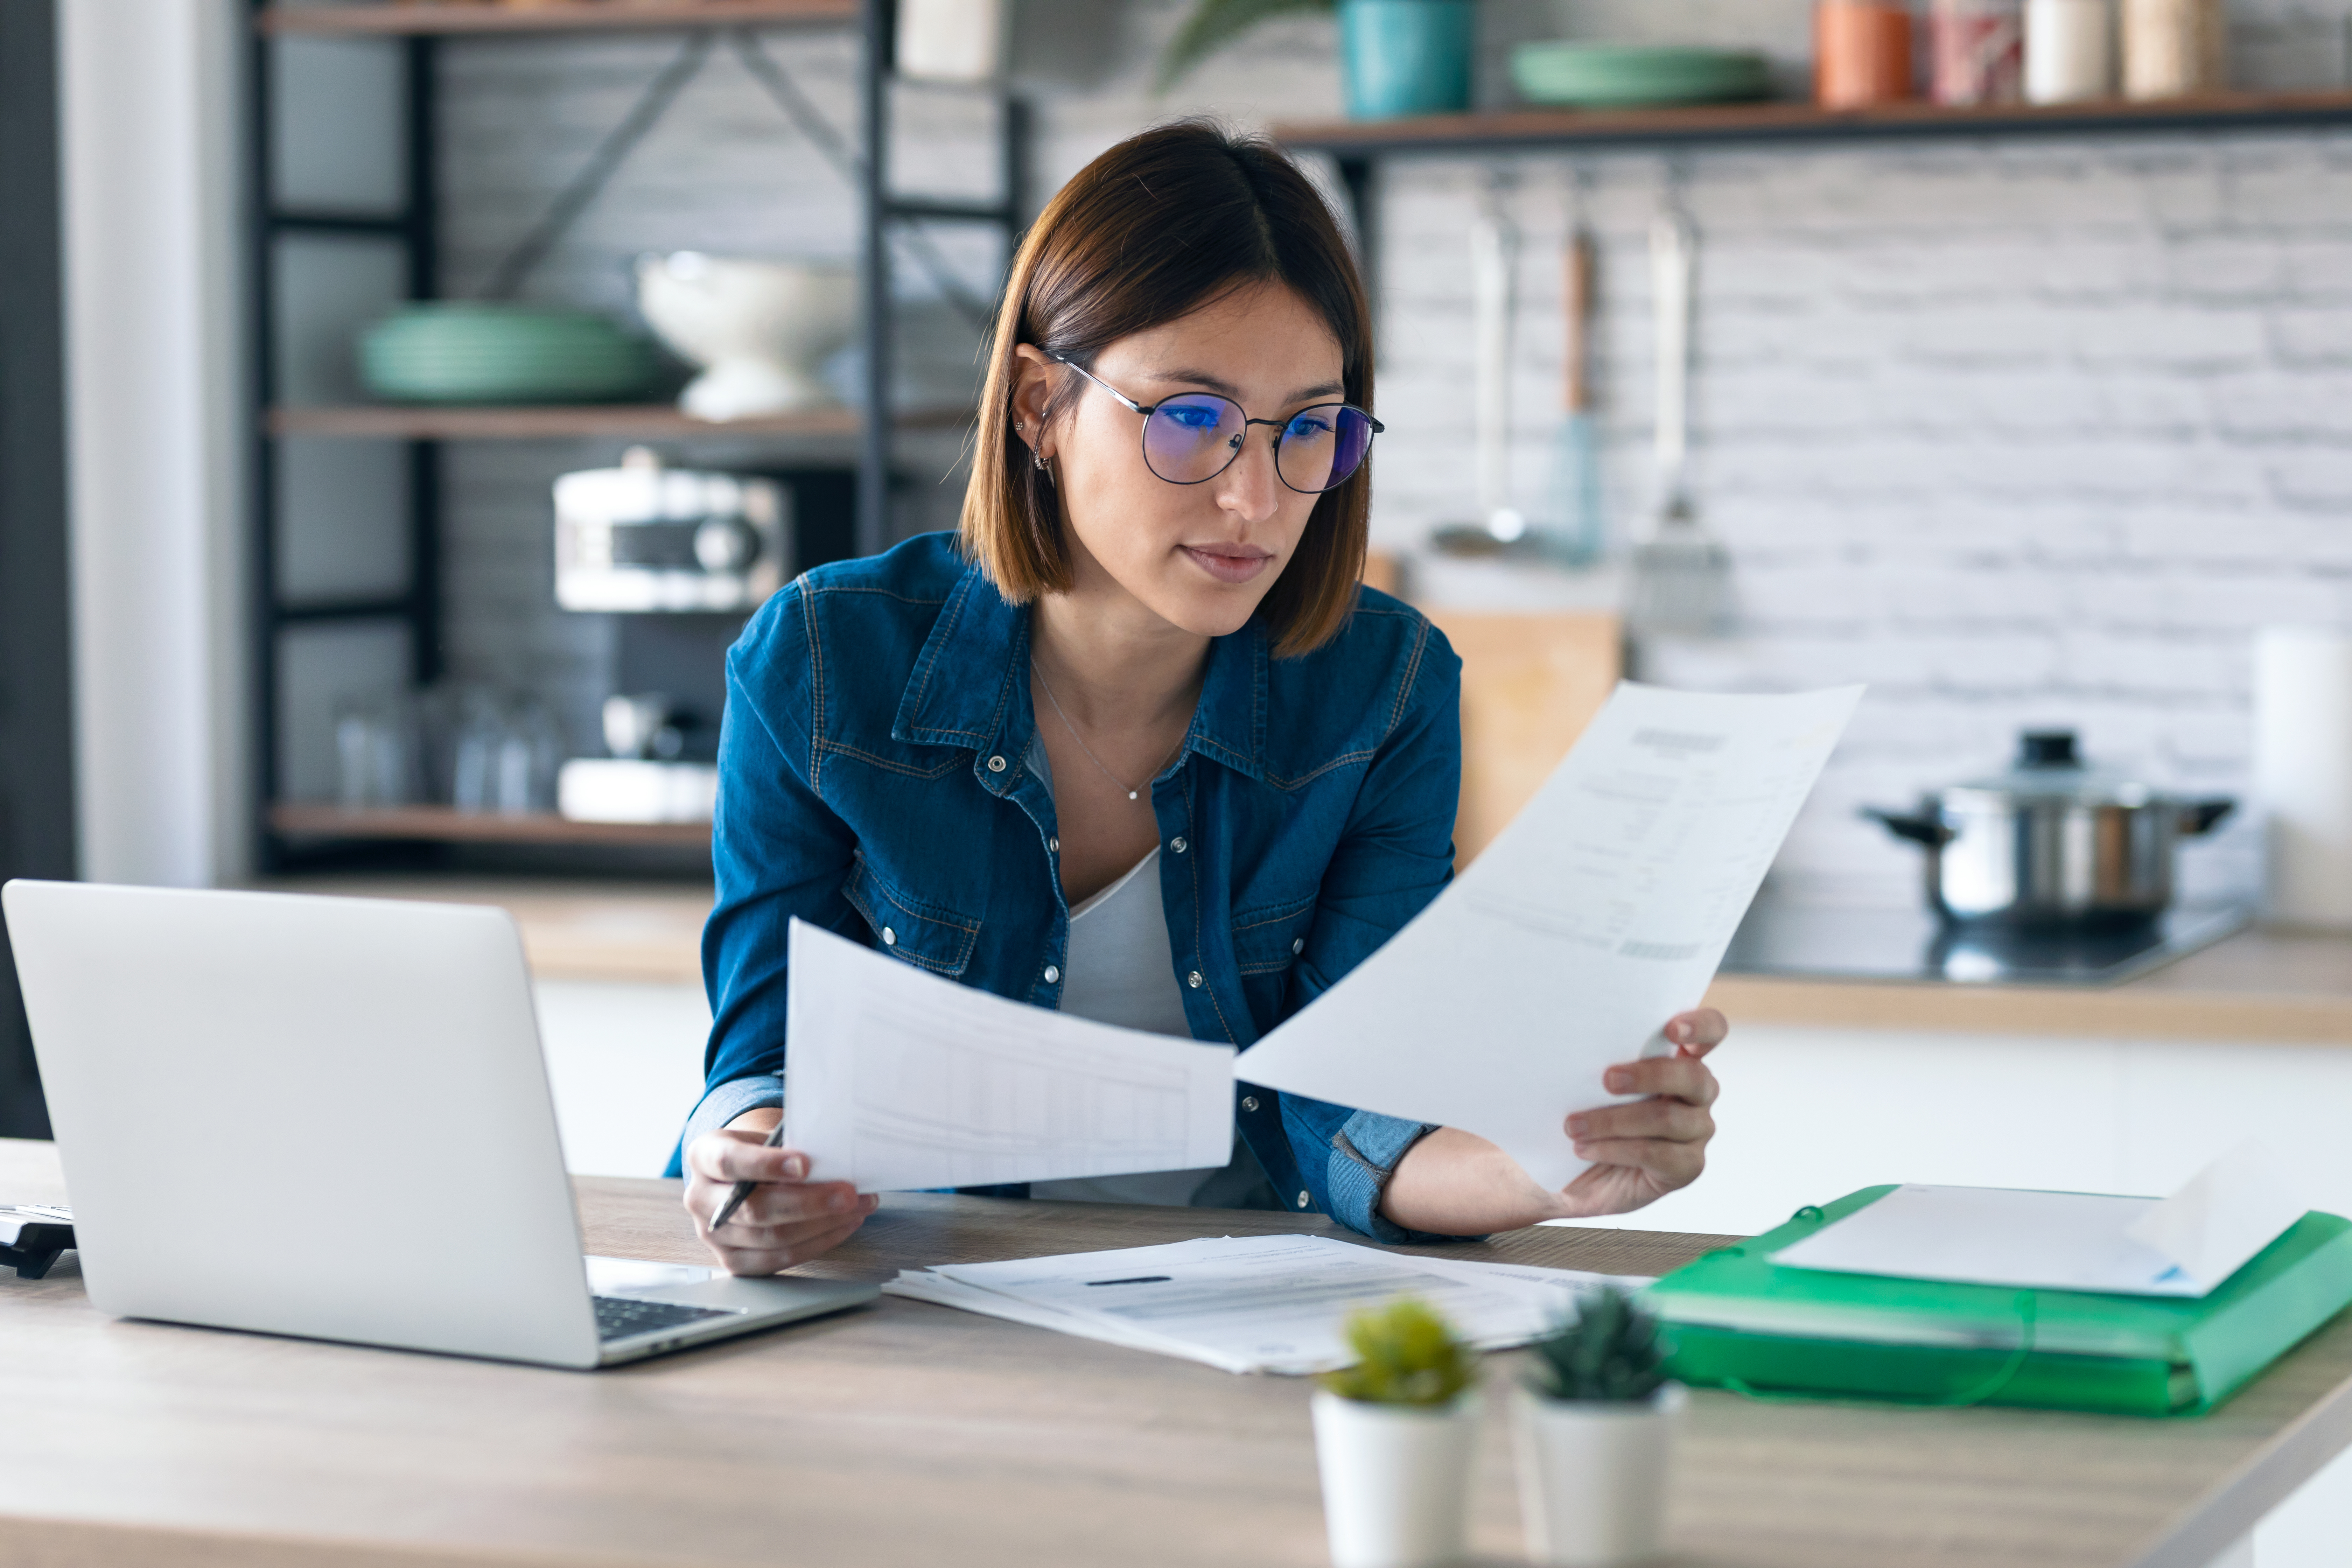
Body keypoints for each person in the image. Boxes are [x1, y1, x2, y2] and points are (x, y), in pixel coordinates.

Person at [674, 121, 1726, 1275]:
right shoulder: (826, 661)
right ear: (1038, 405)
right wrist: (755, 1170)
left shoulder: (1386, 688)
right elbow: (761, 1063)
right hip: (919, 1292)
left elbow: (1356, 1113)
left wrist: (1549, 1166)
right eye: (1190, 419)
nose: (1256, 500)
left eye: (1310, 431)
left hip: (1244, 1297)